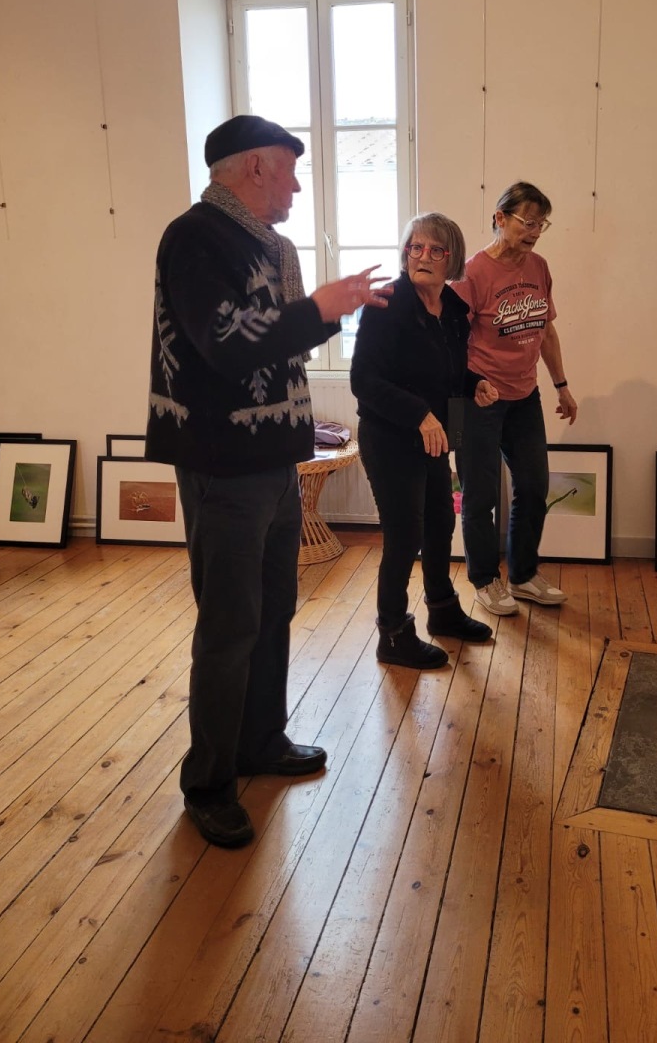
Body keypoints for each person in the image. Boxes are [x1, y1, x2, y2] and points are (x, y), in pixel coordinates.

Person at [145, 114, 389, 848]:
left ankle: (259, 741)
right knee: (229, 625)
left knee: (274, 608)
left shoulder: (269, 245)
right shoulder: (194, 237)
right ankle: (209, 782)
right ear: (254, 167)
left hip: (275, 459)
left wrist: (324, 313)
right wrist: (320, 309)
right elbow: (226, 343)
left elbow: (280, 344)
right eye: (289, 170)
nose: (296, 186)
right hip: (222, 462)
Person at [350, 213, 499, 669]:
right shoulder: (385, 304)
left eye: (436, 250)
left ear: (451, 259)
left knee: (440, 523)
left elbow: (447, 369)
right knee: (404, 534)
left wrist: (473, 382)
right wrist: (419, 414)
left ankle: (443, 610)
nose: (423, 257)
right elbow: (364, 380)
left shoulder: (452, 308)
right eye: (416, 247)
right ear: (405, 253)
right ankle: (393, 634)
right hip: (390, 436)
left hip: (435, 435)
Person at [452, 181, 578, 616]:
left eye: (542, 224)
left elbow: (545, 330)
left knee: (533, 486)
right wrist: (471, 383)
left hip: (525, 395)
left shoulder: (539, 267)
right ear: (500, 218)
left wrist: (562, 385)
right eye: (528, 222)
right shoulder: (471, 274)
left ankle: (522, 576)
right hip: (477, 399)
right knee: (479, 495)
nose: (535, 232)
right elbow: (450, 343)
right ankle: (484, 581)